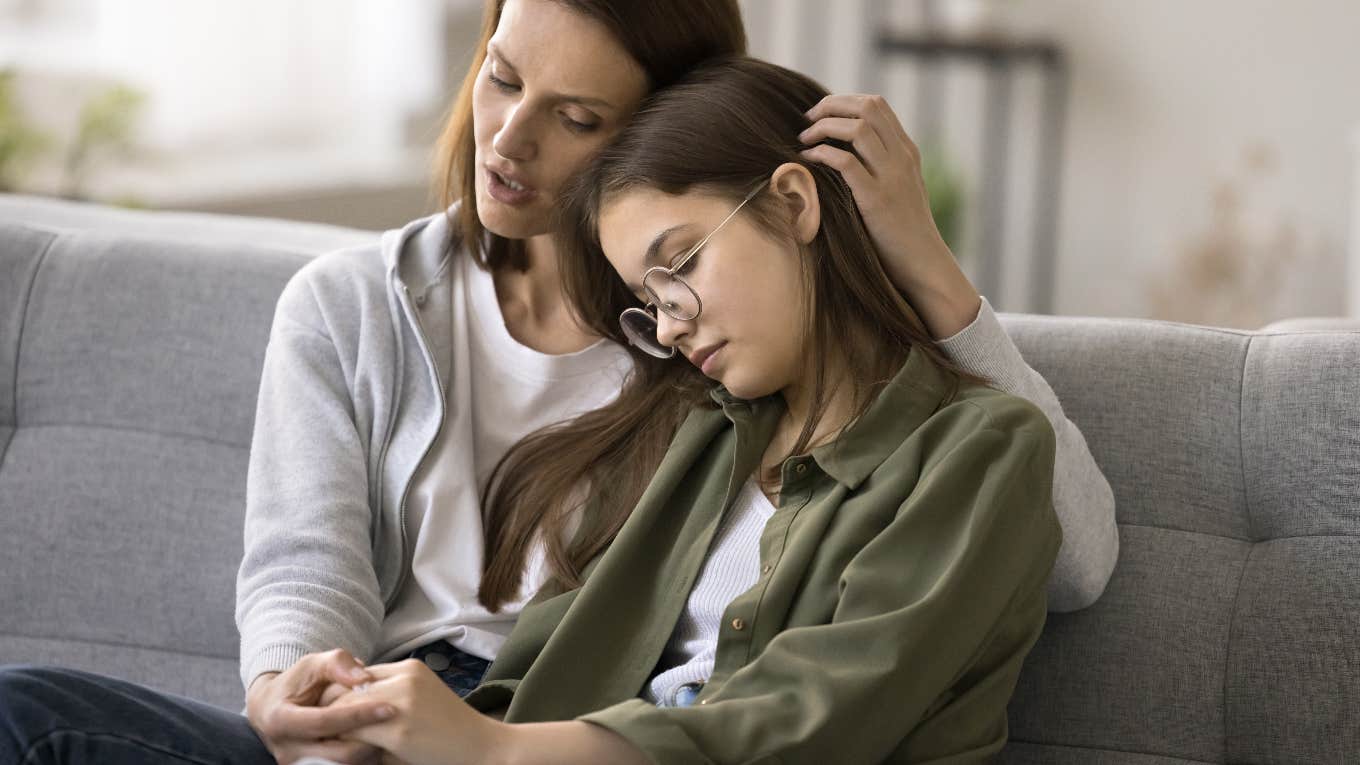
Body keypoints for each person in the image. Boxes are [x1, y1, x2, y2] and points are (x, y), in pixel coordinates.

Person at [0, 1, 1116, 763]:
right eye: (499, 78)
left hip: (522, 742)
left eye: (578, 119)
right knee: (32, 720)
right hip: (447, 720)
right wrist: (325, 700)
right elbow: (493, 617)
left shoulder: (786, 400)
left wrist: (922, 265)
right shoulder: (718, 403)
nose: (508, 140)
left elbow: (1051, 552)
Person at [314, 54, 1067, 764]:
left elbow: (806, 724)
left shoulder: (984, 447)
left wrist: (493, 750)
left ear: (793, 202)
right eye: (649, 303)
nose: (669, 327)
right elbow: (544, 656)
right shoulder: (699, 426)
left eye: (677, 269)